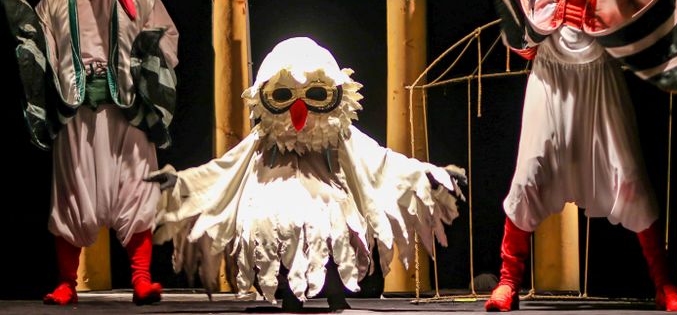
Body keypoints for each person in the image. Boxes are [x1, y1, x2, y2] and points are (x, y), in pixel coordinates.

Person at [477, 0, 677, 312]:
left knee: (629, 174)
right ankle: (508, 281)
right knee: (530, 170)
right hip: (552, 72)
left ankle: (663, 285)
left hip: (600, 70)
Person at [147, 36, 466, 310]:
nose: (298, 109)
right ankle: (290, 295)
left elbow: (381, 162)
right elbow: (225, 169)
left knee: (334, 223)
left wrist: (432, 175)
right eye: (282, 96)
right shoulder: (263, 139)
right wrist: (181, 182)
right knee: (270, 225)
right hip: (271, 202)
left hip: (329, 201)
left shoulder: (339, 135)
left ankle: (335, 295)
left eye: (315, 95)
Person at [2, 0, 178, 305]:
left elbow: (167, 37)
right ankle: (67, 283)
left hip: (127, 108)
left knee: (136, 187)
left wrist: (147, 62)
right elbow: (42, 49)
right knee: (72, 193)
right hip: (77, 110)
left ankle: (141, 279)